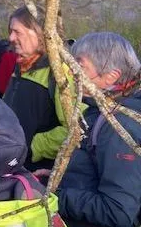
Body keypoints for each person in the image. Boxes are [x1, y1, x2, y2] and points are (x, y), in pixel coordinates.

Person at [55, 32, 141, 227]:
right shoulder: (99, 112)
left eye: (80, 65)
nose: (71, 72)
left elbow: (117, 212)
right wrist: (57, 174)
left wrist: (58, 197)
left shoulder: (118, 125)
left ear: (111, 76)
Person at [3, 7, 71, 170]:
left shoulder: (60, 73)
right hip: (13, 164)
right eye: (10, 31)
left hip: (40, 172)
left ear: (39, 33)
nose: (11, 38)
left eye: (17, 32)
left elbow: (74, 129)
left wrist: (33, 146)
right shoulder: (20, 68)